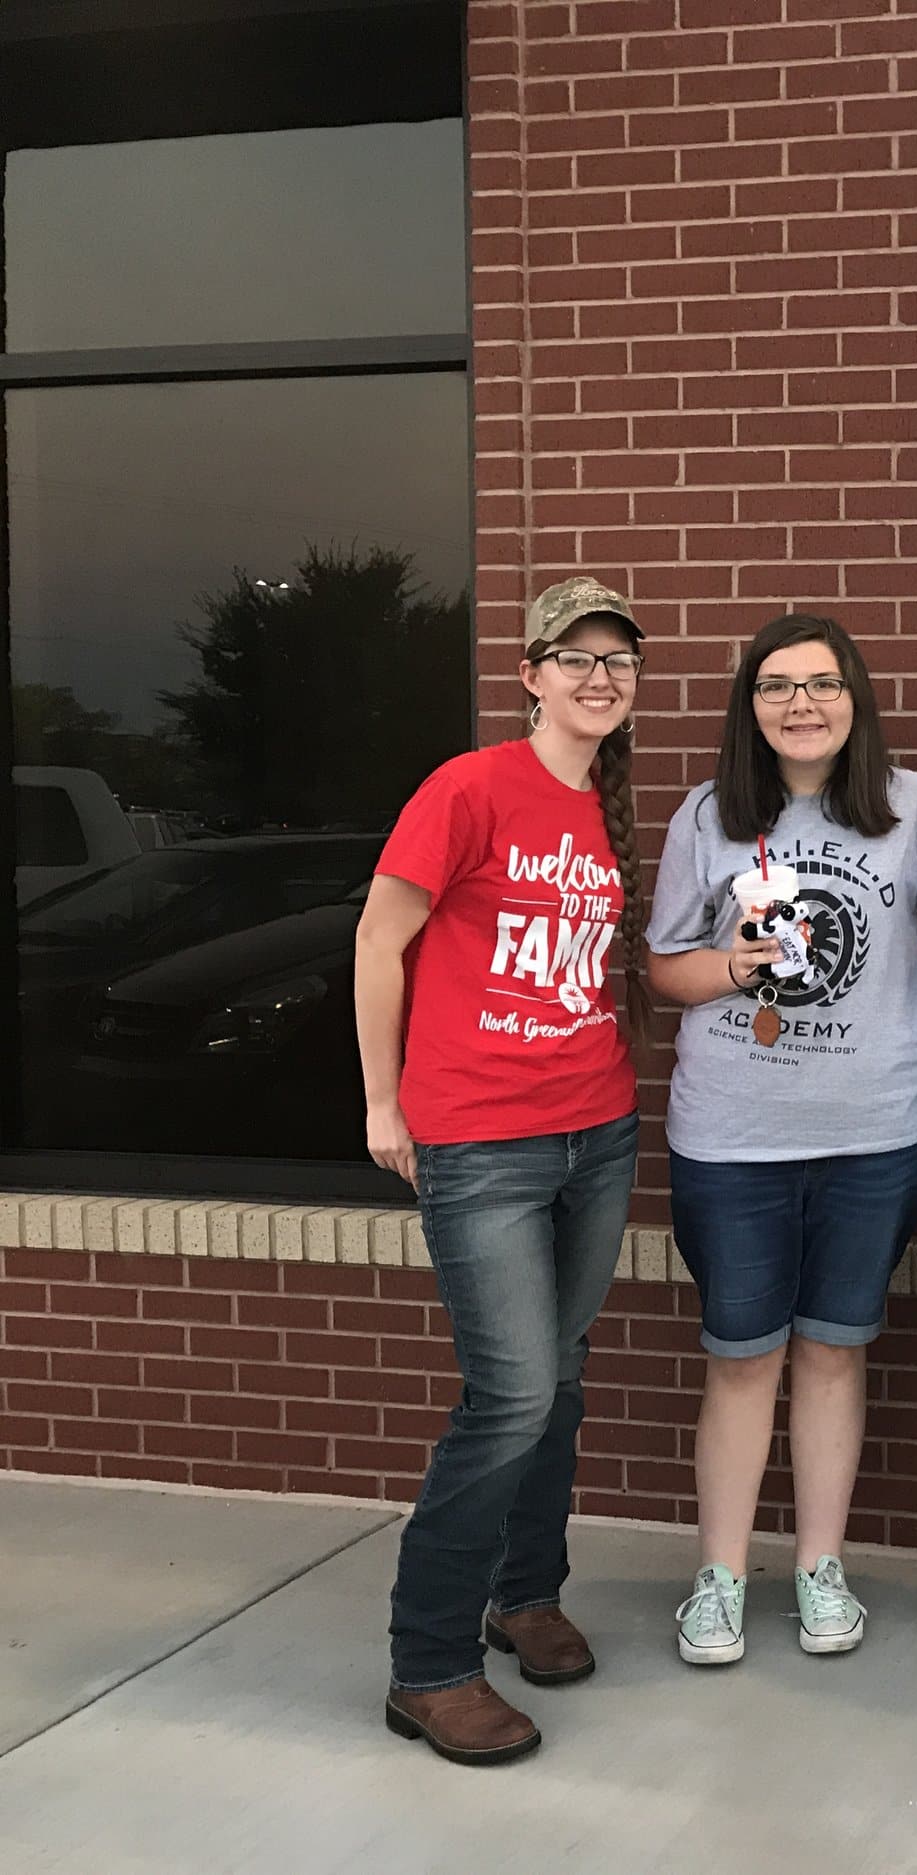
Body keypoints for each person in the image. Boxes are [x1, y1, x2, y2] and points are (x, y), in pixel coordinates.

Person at [356, 577, 648, 1767]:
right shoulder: (468, 787)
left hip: (598, 1128)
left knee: (561, 1381)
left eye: (616, 662)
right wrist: (383, 1103)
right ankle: (428, 1665)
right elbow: (382, 938)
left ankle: (524, 1594)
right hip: (481, 1142)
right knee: (511, 1396)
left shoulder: (607, 810)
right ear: (528, 674)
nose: (597, 678)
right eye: (573, 658)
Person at [647, 614, 917, 1667]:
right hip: (734, 1137)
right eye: (776, 687)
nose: (801, 704)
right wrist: (735, 966)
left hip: (875, 1134)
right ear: (751, 708)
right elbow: (662, 972)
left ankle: (821, 1571)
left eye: (823, 684)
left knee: (831, 1352)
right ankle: (721, 1580)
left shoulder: (912, 811)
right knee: (741, 1361)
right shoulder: (710, 816)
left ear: (855, 699)